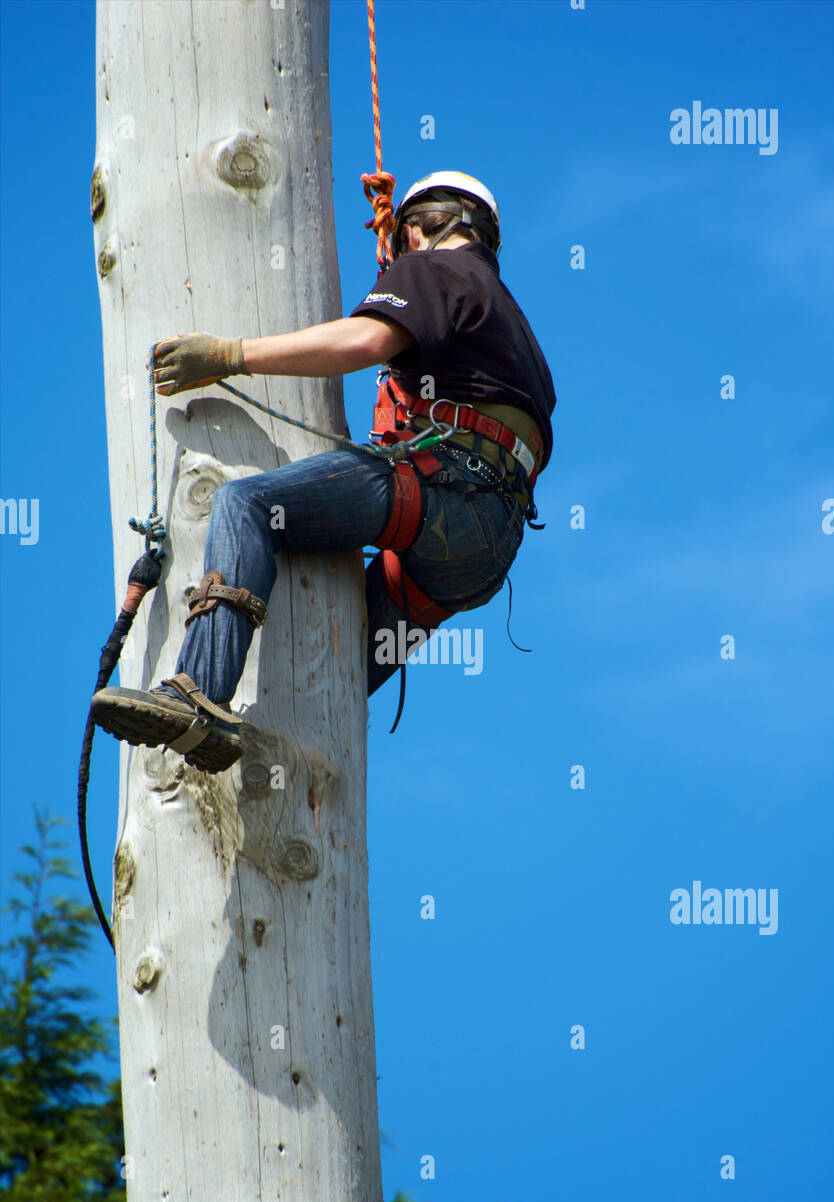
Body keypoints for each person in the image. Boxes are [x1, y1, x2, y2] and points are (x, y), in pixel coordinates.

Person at [90, 172, 556, 772]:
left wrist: (231, 356)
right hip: (484, 550)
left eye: (409, 233)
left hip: (444, 491)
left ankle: (197, 697)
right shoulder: (514, 326)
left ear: (427, 224)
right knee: (326, 688)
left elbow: (365, 341)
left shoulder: (436, 270)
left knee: (246, 506)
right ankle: (297, 767)